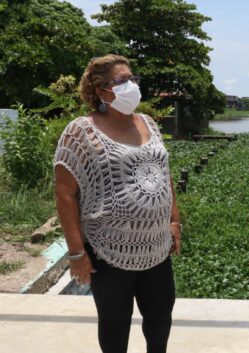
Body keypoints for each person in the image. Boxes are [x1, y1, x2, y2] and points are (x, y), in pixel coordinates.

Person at [54, 54, 181, 353]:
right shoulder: (81, 131)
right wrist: (76, 253)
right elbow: (64, 194)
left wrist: (173, 220)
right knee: (114, 324)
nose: (132, 85)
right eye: (122, 81)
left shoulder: (147, 122)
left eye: (133, 78)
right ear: (100, 91)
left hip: (156, 247)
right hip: (109, 249)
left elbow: (163, 172)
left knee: (160, 318)